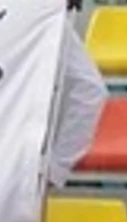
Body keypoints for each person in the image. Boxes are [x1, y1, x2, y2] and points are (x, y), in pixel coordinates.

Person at [46, 16, 107, 187]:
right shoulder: (44, 13)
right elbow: (90, 89)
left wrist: (56, 168)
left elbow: (90, 89)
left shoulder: (45, 16)